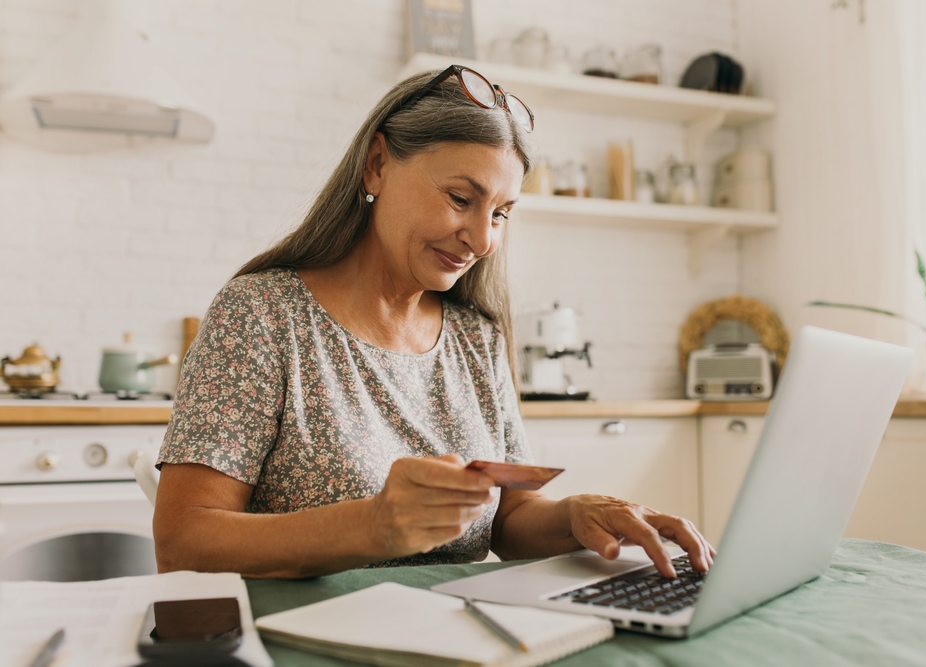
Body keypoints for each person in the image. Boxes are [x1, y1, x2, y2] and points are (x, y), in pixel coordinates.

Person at [153, 66, 715, 579]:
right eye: (459, 198)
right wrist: (371, 526)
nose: (484, 238)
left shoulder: (476, 337)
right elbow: (183, 543)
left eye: (499, 213)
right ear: (377, 165)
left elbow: (507, 519)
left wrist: (578, 516)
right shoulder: (262, 315)